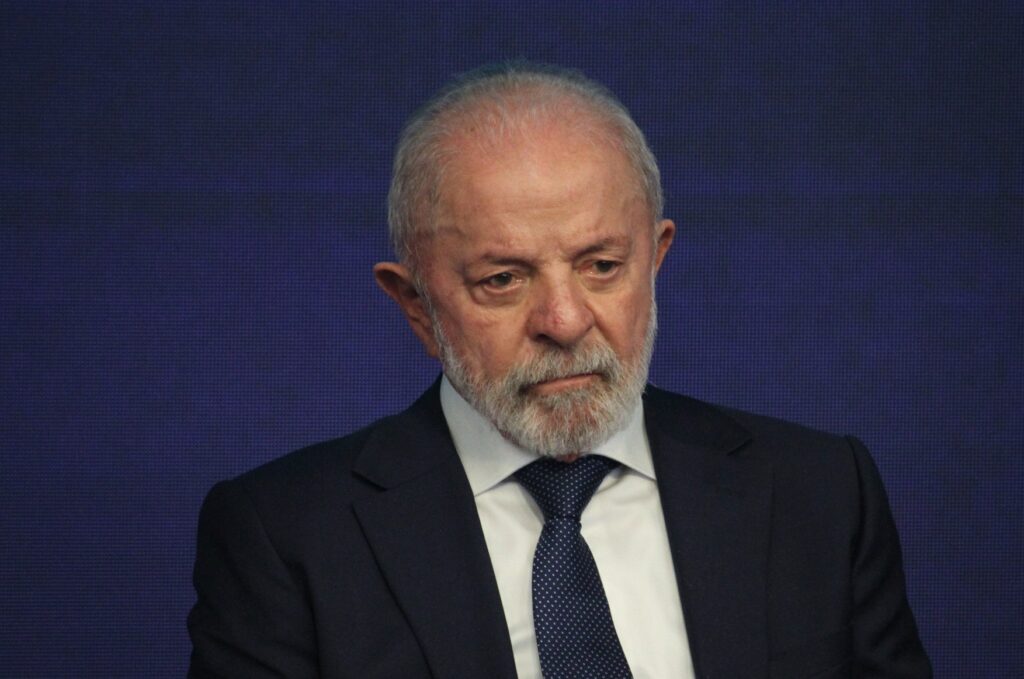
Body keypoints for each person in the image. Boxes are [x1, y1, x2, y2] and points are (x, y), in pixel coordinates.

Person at [188, 62, 931, 678]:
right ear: (415, 305)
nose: (565, 320)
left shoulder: (822, 493)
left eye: (602, 266)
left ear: (656, 259)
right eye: (503, 280)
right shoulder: (286, 536)